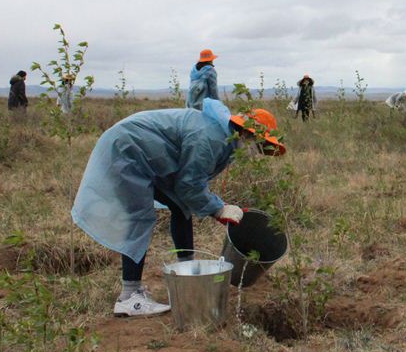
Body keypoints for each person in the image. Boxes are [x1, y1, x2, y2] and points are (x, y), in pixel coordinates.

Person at [72, 98, 285, 316]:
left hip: (142, 152)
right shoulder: (211, 138)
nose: (258, 153)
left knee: (181, 206)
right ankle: (129, 297)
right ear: (247, 134)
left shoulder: (225, 138)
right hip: (128, 150)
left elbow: (188, 187)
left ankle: (188, 273)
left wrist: (217, 206)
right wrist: (218, 209)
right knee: (139, 218)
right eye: (259, 146)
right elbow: (189, 186)